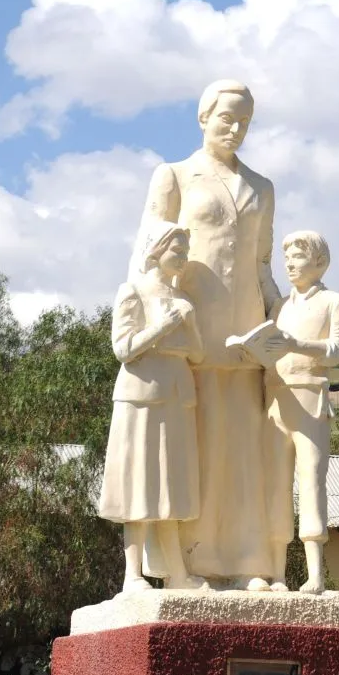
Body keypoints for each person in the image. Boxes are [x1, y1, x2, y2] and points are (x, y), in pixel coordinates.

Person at [139, 79, 283, 589]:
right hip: (188, 334)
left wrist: (282, 308)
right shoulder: (175, 176)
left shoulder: (262, 187)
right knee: (189, 453)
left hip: (246, 337)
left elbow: (262, 264)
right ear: (204, 118)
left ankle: (246, 563)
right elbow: (147, 257)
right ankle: (185, 565)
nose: (235, 128)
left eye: (244, 121)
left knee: (243, 452)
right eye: (227, 118)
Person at [98, 221, 208, 593]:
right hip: (141, 396)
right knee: (138, 483)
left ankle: (177, 572)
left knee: (170, 485)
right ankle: (133, 575)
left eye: (185, 251)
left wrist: (187, 325)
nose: (183, 258)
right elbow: (123, 349)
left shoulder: (183, 301)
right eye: (177, 250)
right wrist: (161, 328)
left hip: (177, 394)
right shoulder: (132, 292)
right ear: (157, 250)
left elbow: (198, 353)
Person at [264, 231, 339, 593]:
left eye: (297, 257)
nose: (289, 265)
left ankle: (315, 574)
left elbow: (337, 349)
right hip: (274, 402)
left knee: (312, 481)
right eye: (286, 259)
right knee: (275, 485)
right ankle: (277, 573)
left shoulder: (335, 301)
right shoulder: (279, 307)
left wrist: (296, 344)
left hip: (310, 399)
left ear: (319, 262)